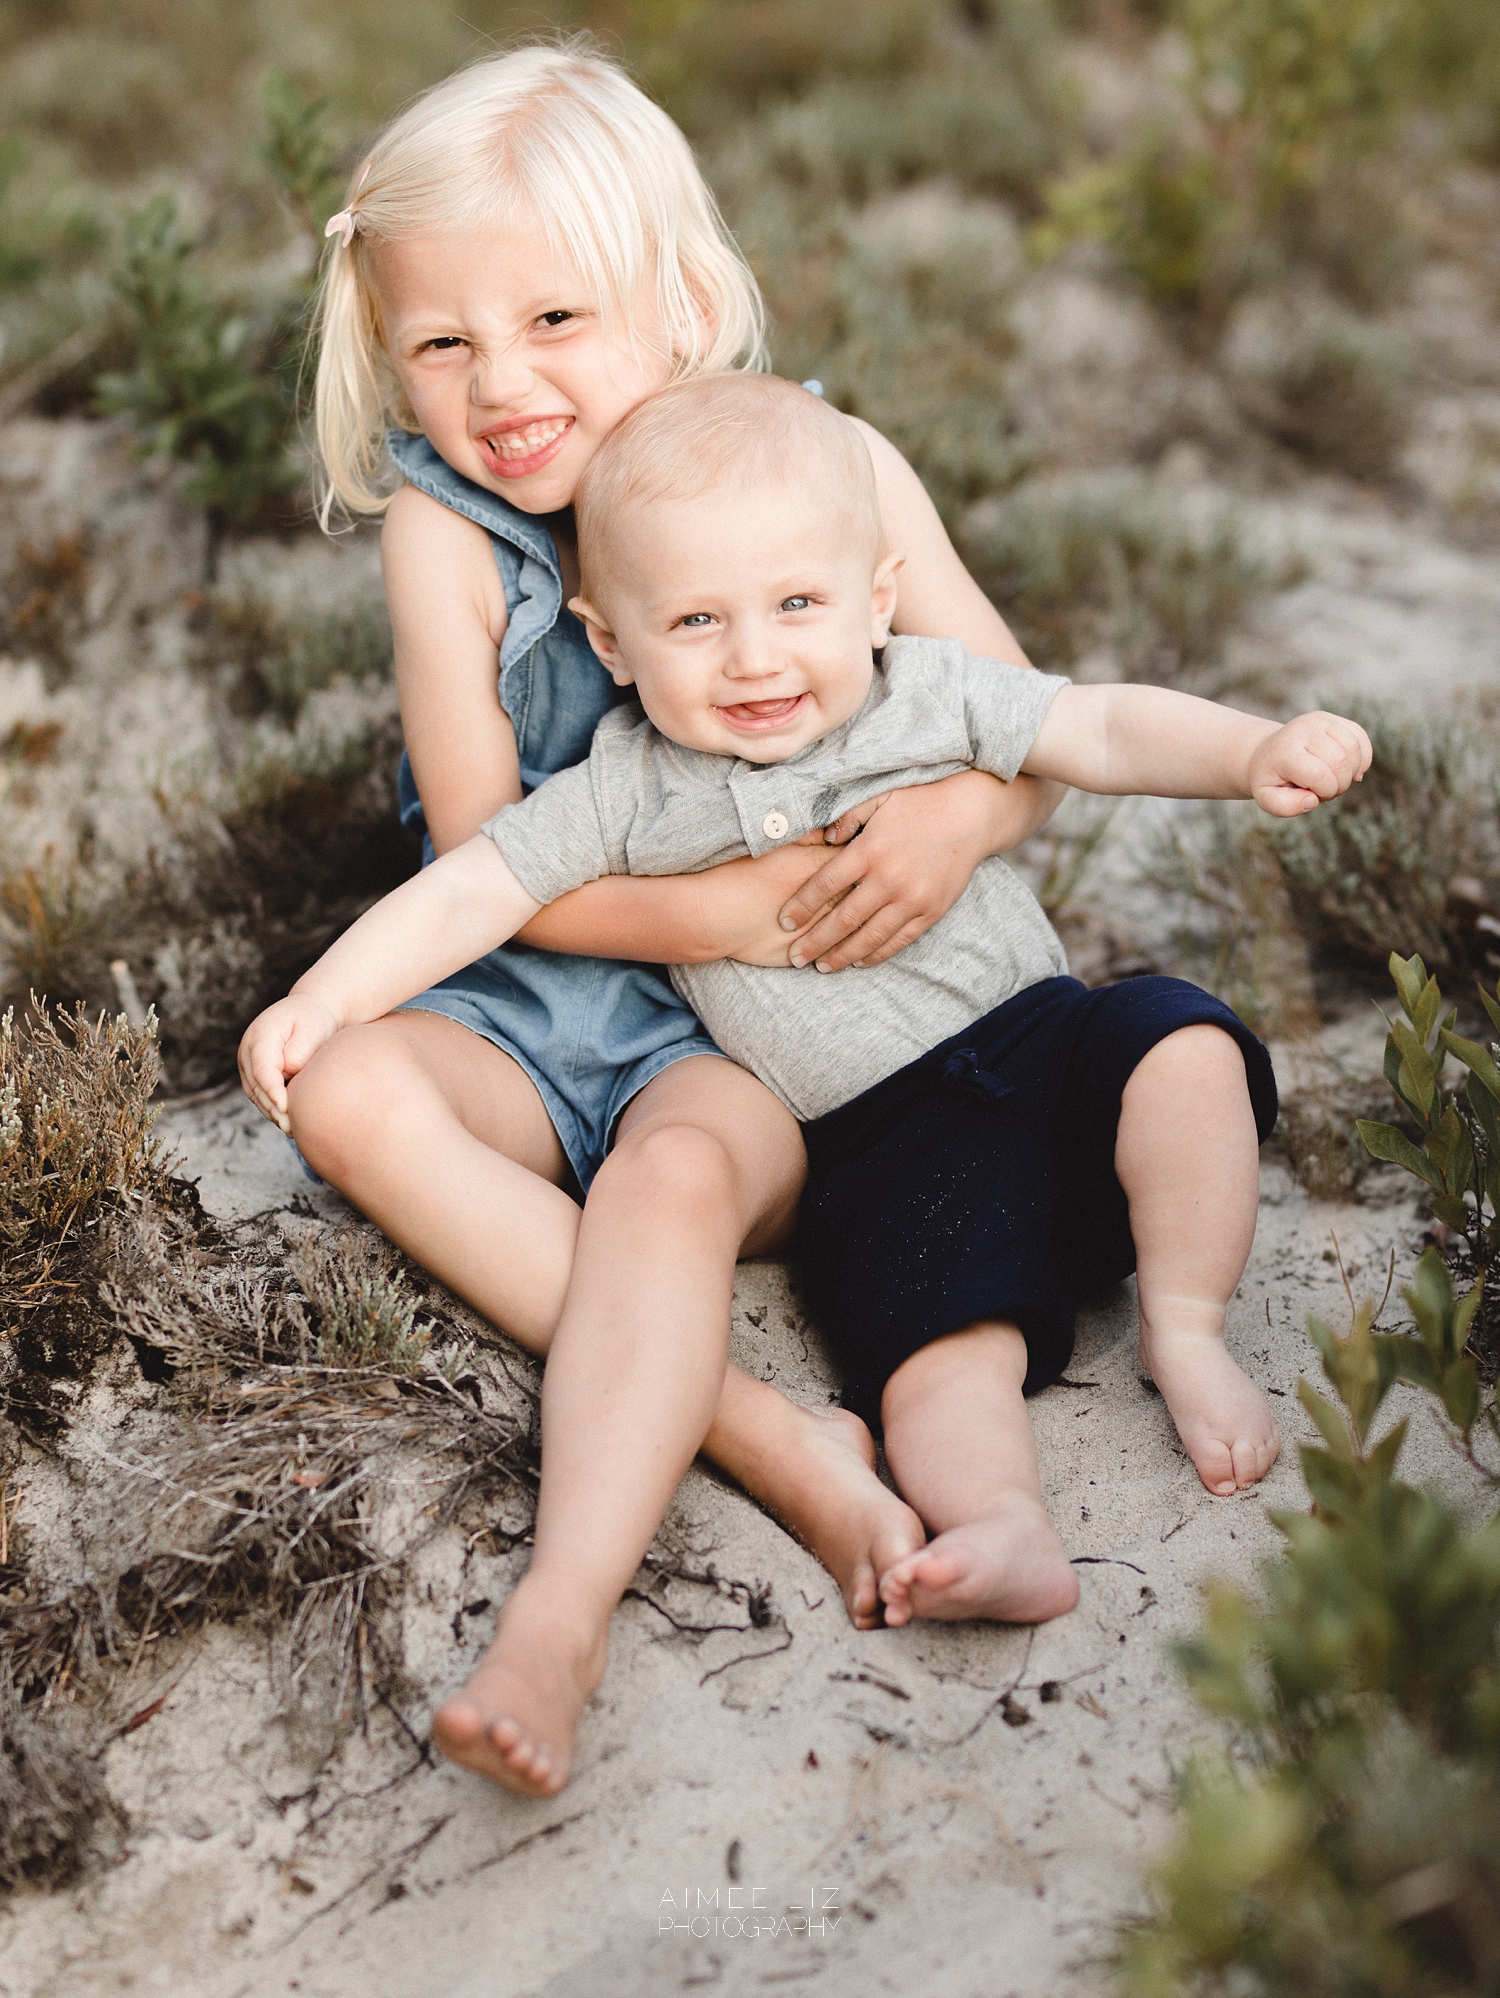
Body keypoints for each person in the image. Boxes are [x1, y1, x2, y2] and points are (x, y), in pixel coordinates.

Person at [241, 372, 1373, 1798]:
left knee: (1189, 1049)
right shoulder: (625, 785)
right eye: (697, 623)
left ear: (875, 592)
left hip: (1047, 1037)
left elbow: (1098, 726)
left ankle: (1190, 1322)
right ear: (611, 638)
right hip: (886, 1140)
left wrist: (1253, 748)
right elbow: (474, 884)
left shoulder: (925, 693)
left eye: (795, 607)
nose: (755, 658)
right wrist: (328, 997)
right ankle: (1002, 1524)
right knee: (930, 1351)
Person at [282, 42, 1064, 1734]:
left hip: (735, 1038)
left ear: (683, 294)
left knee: (664, 1186)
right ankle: (765, 1428)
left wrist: (952, 830)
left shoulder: (826, 467)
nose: (503, 387)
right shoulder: (449, 535)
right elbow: (489, 855)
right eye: (443, 342)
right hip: (531, 970)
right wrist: (723, 906)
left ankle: (559, 1622)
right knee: (343, 1096)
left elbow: (1035, 739)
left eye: (555, 319)